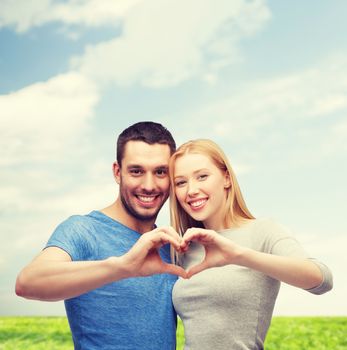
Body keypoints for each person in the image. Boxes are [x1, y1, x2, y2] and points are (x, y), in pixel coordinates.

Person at [15, 121, 187, 350]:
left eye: (160, 172)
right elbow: (28, 282)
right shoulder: (83, 230)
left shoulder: (169, 245)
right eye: (136, 171)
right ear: (118, 172)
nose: (149, 185)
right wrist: (124, 267)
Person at [169, 139, 333, 350]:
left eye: (202, 176)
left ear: (226, 178)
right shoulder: (186, 247)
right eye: (181, 182)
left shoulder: (263, 232)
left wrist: (237, 254)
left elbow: (323, 279)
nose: (191, 190)